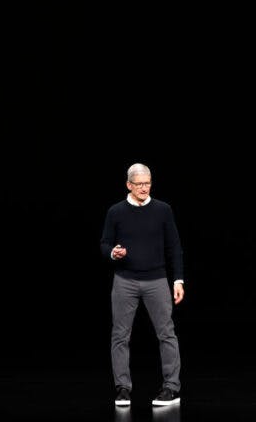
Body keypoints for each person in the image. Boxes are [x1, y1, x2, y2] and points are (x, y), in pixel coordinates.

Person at [100, 163, 185, 407]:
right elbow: (104, 243)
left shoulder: (163, 210)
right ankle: (123, 389)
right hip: (124, 281)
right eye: (139, 184)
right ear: (129, 185)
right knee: (120, 336)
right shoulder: (116, 212)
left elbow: (174, 247)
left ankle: (171, 388)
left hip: (157, 280)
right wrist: (112, 252)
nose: (144, 188)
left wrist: (178, 279)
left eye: (147, 183)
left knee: (166, 334)